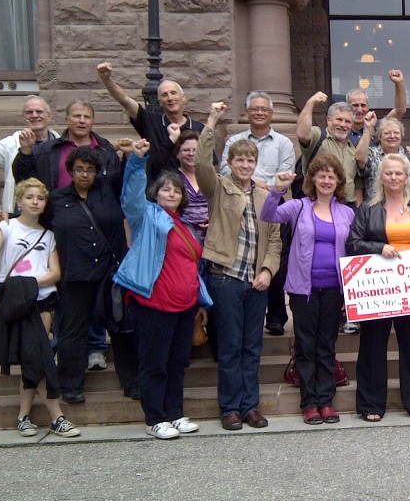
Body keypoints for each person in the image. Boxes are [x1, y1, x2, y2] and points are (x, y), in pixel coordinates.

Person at [12, 99, 122, 375]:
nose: (82, 121)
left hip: (95, 229)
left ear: (92, 121)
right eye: (76, 116)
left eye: (87, 116)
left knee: (97, 291)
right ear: (67, 119)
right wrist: (25, 154)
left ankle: (95, 346)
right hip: (60, 225)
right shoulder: (49, 149)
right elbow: (28, 180)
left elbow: (115, 187)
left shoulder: (105, 149)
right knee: (68, 292)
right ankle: (67, 347)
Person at [114, 140, 211, 440]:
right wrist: (136, 162)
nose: (171, 193)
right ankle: (155, 417)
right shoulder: (146, 217)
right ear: (155, 193)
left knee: (176, 363)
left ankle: (175, 413)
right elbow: (130, 197)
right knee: (154, 363)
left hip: (184, 305)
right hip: (154, 304)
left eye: (176, 190)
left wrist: (200, 302)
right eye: (166, 189)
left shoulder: (184, 225)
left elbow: (190, 265)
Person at [197, 102, 282, 431]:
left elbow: (275, 239)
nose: (246, 164)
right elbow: (202, 163)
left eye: (250, 159)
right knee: (230, 347)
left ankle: (250, 406)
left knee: (252, 347)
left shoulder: (265, 196)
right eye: (240, 159)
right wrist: (212, 121)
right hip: (226, 279)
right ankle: (229, 408)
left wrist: (268, 271)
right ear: (230, 163)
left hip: (256, 282)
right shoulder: (218, 188)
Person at [0, 178, 80, 438]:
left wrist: (29, 284)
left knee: (35, 356)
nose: (35, 202)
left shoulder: (48, 235)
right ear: (19, 201)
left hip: (42, 301)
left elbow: (55, 273)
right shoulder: (7, 227)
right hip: (15, 303)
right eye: (30, 197)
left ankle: (33, 416)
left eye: (40, 198)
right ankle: (49, 416)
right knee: (35, 357)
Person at [262, 155, 354, 425]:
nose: (326, 180)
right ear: (313, 179)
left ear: (338, 181)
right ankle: (309, 402)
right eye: (321, 175)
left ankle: (326, 401)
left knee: (327, 345)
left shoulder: (347, 212)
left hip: (334, 287)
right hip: (304, 289)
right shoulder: (298, 207)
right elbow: (269, 214)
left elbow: (352, 248)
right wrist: (277, 188)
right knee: (305, 345)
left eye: (331, 176)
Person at [42, 145, 137, 404]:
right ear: (70, 171)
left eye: (90, 169)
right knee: (73, 329)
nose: (85, 174)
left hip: (111, 270)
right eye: (79, 169)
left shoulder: (108, 190)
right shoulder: (57, 199)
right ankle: (71, 384)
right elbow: (40, 224)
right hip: (77, 273)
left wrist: (129, 154)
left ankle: (131, 381)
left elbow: (127, 174)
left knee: (121, 326)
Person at [347, 153, 410, 421]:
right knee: (373, 344)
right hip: (379, 286)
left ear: (407, 177)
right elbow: (353, 243)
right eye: (388, 173)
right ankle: (371, 403)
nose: (394, 178)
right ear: (380, 178)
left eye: (399, 173)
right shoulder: (368, 210)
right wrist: (379, 247)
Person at [219, 91, 296, 336]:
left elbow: (284, 178)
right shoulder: (234, 141)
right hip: (237, 205)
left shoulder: (283, 143)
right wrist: (260, 182)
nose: (259, 112)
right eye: (254, 109)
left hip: (273, 207)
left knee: (274, 261)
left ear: (271, 113)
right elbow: (224, 170)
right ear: (247, 112)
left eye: (264, 109)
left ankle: (275, 316)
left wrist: (250, 181)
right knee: (244, 256)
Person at [96, 62, 206, 178]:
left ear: (183, 97)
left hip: (192, 191)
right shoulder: (150, 122)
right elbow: (125, 100)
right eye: (164, 95)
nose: (170, 98)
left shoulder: (199, 128)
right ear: (159, 102)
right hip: (157, 190)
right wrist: (107, 80)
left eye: (173, 93)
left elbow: (209, 164)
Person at [0, 95, 59, 213]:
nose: (34, 115)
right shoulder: (11, 144)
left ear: (49, 116)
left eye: (39, 111)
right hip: (20, 213)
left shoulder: (60, 145)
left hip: (52, 211)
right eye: (29, 112)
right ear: (23, 117)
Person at [296, 92, 367, 207]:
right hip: (318, 204)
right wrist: (310, 103)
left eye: (348, 121)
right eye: (339, 120)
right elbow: (302, 134)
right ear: (328, 120)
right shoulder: (318, 136)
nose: (343, 125)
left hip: (347, 207)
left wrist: (358, 212)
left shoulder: (354, 148)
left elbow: (357, 185)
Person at [358, 115, 410, 203]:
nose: (392, 136)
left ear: (401, 135)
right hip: (377, 208)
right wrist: (368, 129)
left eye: (396, 133)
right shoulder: (370, 153)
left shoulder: (409, 153)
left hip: (407, 208)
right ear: (379, 137)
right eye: (387, 133)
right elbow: (359, 158)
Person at [346, 69, 407, 147]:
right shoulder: (342, 129)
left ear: (368, 107)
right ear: (347, 107)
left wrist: (399, 83)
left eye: (363, 105)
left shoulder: (377, 127)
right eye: (355, 105)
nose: (360, 110)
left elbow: (399, 111)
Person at [170, 131, 209, 243]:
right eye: (186, 150)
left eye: (195, 150)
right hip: (182, 239)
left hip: (210, 241)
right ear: (178, 154)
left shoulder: (210, 178)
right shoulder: (172, 179)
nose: (191, 154)